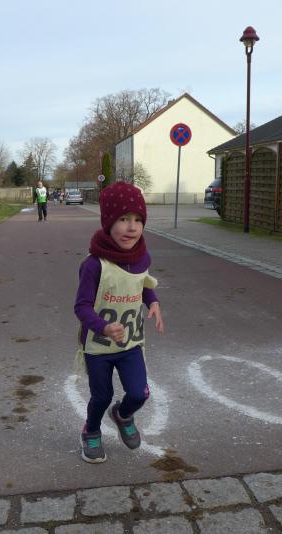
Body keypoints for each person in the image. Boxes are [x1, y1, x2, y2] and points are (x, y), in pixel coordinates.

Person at [73, 182, 164, 463]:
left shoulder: (142, 257)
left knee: (139, 393)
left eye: (138, 220)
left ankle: (123, 415)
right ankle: (91, 430)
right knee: (101, 397)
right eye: (123, 219)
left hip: (130, 343)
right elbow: (81, 307)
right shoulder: (94, 265)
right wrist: (103, 326)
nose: (132, 227)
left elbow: (142, 283)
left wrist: (153, 301)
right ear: (108, 222)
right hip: (99, 347)